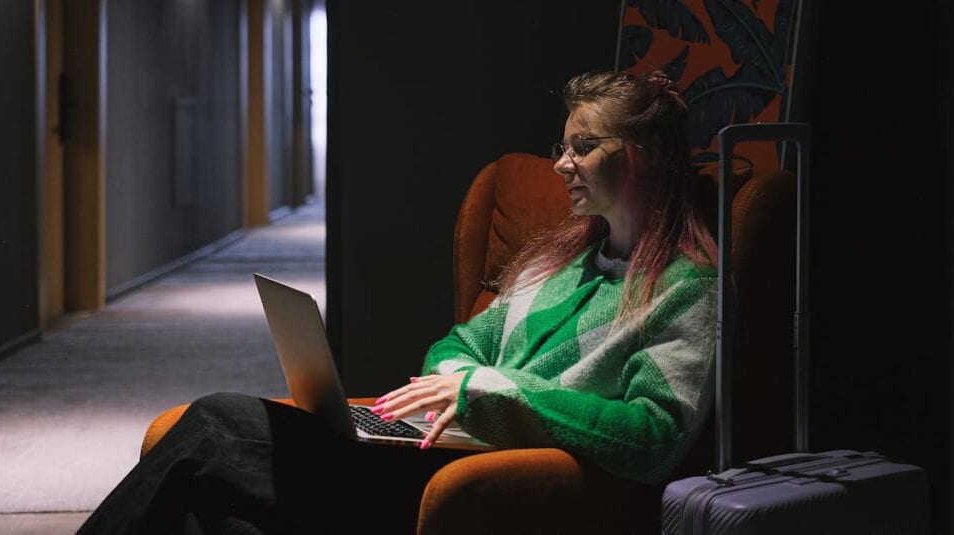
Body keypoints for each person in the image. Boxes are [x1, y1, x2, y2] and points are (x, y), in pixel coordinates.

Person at [77, 69, 718, 534]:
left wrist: (499, 392)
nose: (561, 165)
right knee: (214, 516)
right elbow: (460, 343)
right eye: (561, 146)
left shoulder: (685, 291)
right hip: (434, 445)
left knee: (216, 422)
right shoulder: (561, 262)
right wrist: (461, 379)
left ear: (642, 157)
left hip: (482, 477)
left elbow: (655, 436)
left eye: (584, 146)